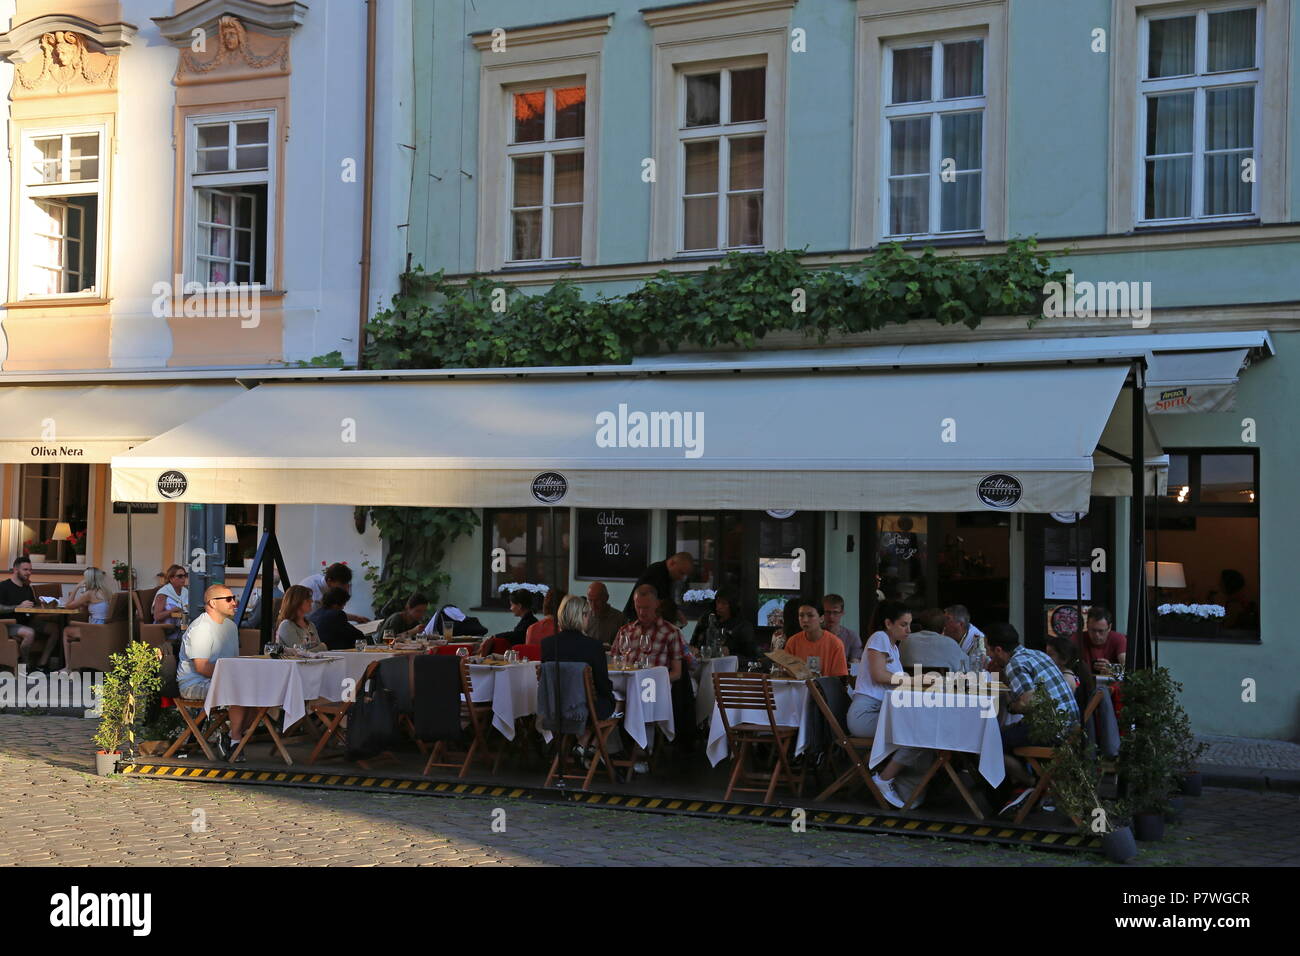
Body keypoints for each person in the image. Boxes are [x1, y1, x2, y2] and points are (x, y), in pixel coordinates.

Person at [984, 622, 1080, 814]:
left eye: (989, 651)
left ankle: (1030, 784)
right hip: (1070, 726)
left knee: (989, 743)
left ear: (999, 649)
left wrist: (1012, 707)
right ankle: (1026, 786)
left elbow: (1029, 702)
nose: (989, 656)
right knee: (1003, 736)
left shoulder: (1015, 664)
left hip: (1052, 730)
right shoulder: (1036, 654)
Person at [845, 600, 926, 809]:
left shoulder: (892, 646)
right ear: (888, 623)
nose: (908, 630)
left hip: (879, 711)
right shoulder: (880, 637)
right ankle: (884, 779)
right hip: (866, 714)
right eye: (903, 624)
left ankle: (905, 787)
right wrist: (916, 680)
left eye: (909, 624)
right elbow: (880, 675)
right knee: (917, 733)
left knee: (921, 729)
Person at [176, 585, 249, 761]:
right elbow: (202, 668)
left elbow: (232, 663)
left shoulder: (230, 627)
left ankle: (232, 735)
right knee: (239, 689)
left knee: (259, 690)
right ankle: (235, 741)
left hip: (221, 680)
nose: (234, 602)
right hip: (194, 683)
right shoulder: (201, 628)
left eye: (234, 598)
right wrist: (234, 678)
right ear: (212, 603)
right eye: (229, 599)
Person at [541, 595, 615, 720]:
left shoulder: (547, 644)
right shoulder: (594, 646)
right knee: (617, 703)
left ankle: (583, 738)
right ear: (582, 616)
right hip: (587, 710)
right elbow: (603, 686)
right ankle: (589, 738)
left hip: (556, 709)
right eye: (587, 615)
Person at [612, 584, 683, 682]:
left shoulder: (670, 632)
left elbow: (677, 673)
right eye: (638, 607)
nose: (641, 612)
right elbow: (614, 664)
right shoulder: (624, 631)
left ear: (657, 604)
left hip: (654, 690)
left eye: (646, 608)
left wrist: (655, 682)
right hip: (626, 688)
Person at [0, 556, 57, 669]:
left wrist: (43, 605)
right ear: (16, 570)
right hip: (8, 624)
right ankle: (25, 665)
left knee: (55, 629)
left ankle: (42, 663)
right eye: (25, 570)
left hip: (27, 621)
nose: (29, 572)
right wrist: (17, 607)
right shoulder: (3, 586)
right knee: (29, 633)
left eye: (30, 570)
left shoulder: (27, 588)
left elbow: (32, 608)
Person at [781, 598, 848, 677]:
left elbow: (840, 678)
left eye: (810, 615)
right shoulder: (793, 642)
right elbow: (786, 673)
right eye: (801, 615)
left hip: (825, 688)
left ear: (821, 618)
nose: (805, 620)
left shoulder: (835, 644)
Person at [623, 552, 694, 623]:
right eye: (681, 573)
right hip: (637, 623)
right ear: (672, 563)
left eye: (685, 575)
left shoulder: (667, 576)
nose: (682, 578)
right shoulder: (656, 573)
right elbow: (646, 602)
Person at [690, 589, 758, 660]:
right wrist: (694, 650)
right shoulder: (706, 619)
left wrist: (731, 654)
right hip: (702, 663)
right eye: (718, 602)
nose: (719, 606)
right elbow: (692, 644)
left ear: (732, 605)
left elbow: (751, 656)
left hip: (729, 667)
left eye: (724, 603)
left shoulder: (743, 626)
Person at [899, 607, 967, 674]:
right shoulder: (951, 644)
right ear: (944, 628)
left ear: (920, 625)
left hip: (910, 685)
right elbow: (967, 667)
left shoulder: (905, 641)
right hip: (941, 685)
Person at [299, 562, 368, 623]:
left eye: (346, 584)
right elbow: (317, 620)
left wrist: (356, 618)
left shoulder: (321, 580)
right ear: (329, 581)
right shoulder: (314, 596)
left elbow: (331, 613)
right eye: (341, 585)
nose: (344, 589)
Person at [307, 586, 368, 650]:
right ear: (335, 604)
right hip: (333, 652)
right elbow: (358, 636)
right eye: (343, 604)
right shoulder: (337, 614)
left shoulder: (314, 615)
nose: (343, 608)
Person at [1075, 606, 1127, 675]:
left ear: (1109, 627)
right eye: (1093, 630)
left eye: (1101, 631)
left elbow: (1128, 669)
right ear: (1087, 625)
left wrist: (1111, 668)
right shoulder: (1077, 639)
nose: (1096, 635)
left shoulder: (1119, 639)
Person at [274, 585, 325, 650]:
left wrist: (321, 647)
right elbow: (300, 652)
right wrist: (323, 646)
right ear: (297, 601)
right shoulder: (286, 625)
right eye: (308, 599)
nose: (312, 601)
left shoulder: (311, 625)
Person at [821, 593, 863, 662]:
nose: (831, 616)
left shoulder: (851, 636)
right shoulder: (815, 634)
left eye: (835, 612)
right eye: (827, 612)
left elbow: (855, 664)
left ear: (842, 613)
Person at [152, 564, 190, 638]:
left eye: (185, 575)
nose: (183, 578)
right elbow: (157, 616)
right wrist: (172, 610)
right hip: (166, 630)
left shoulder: (185, 591)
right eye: (180, 576)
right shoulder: (163, 593)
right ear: (171, 578)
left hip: (182, 626)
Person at [583, 582, 625, 646]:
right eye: (590, 600)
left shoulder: (620, 619)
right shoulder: (584, 617)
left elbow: (624, 646)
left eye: (597, 600)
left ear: (606, 598)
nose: (593, 605)